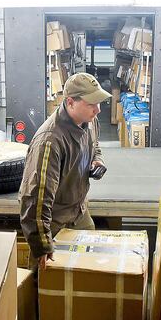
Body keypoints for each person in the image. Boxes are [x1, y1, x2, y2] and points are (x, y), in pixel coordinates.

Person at [18, 73, 110, 270]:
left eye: (99, 102)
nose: (98, 109)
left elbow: (95, 145)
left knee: (89, 271)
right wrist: (42, 244)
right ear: (70, 102)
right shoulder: (50, 141)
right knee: (45, 285)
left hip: (80, 212)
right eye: (91, 103)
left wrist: (96, 160)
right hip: (55, 222)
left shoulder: (89, 120)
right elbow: (36, 198)